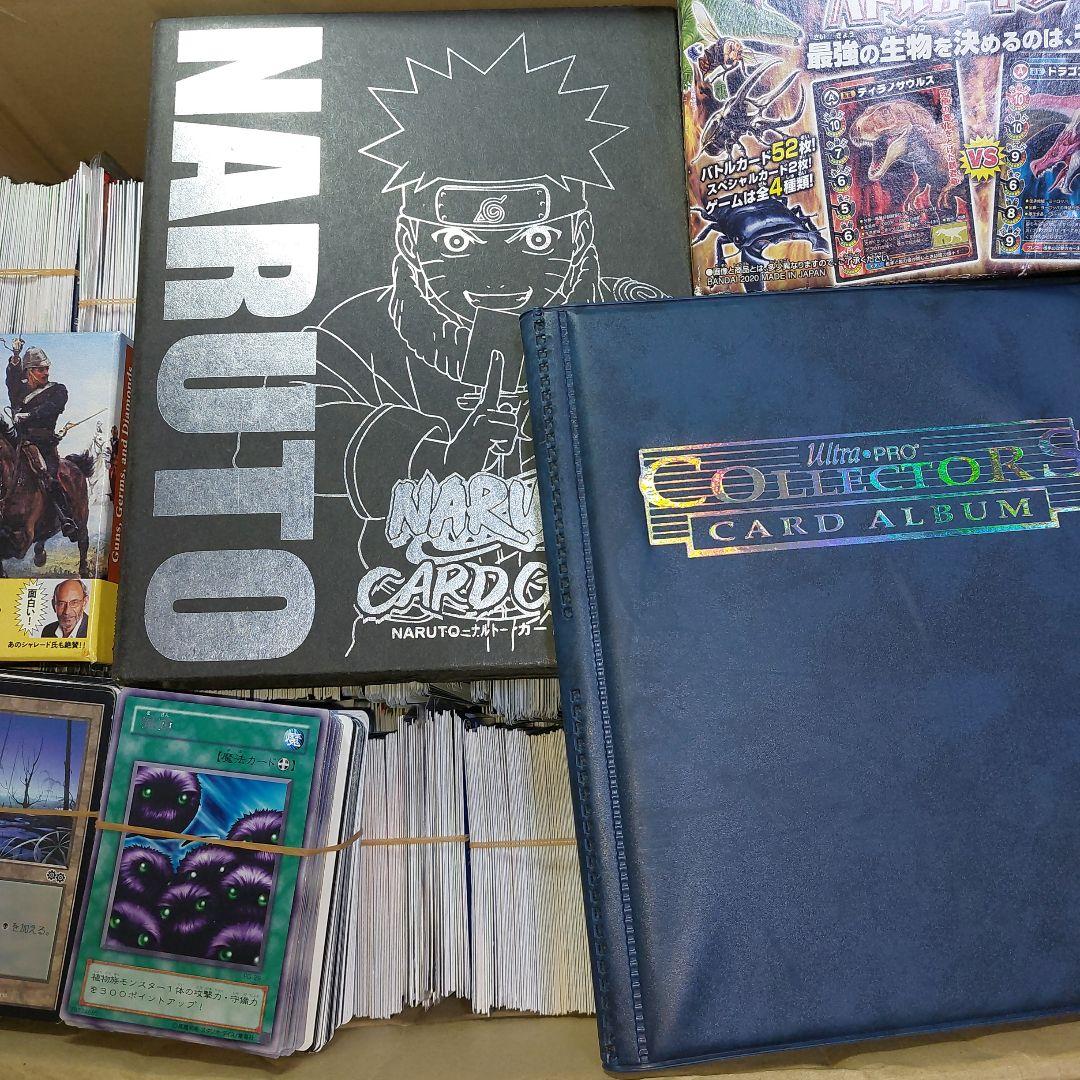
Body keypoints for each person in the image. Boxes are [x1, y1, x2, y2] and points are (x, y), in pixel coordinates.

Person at [6, 338, 79, 539]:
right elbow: (11, 379)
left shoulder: (58, 390)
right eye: (40, 369)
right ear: (29, 371)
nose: (46, 372)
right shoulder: (19, 389)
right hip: (19, 441)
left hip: (43, 445)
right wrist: (15, 355)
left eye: (46, 368)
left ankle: (66, 519)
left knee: (49, 478)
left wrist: (29, 415)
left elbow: (51, 408)